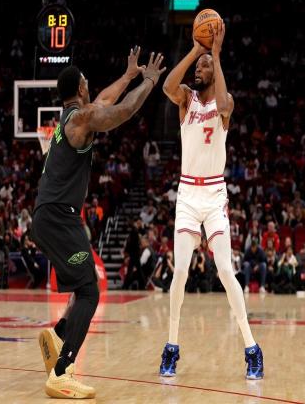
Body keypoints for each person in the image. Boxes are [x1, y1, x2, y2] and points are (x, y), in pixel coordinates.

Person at [30, 46, 166, 398]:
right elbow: (123, 110)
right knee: (90, 290)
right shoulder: (80, 120)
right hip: (59, 218)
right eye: (87, 81)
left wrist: (128, 75)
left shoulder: (70, 117)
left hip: (49, 217)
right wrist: (149, 83)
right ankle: (62, 371)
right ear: (79, 88)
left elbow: (104, 99)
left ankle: (58, 335)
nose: (91, 85)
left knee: (83, 285)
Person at [159, 21, 263, 380]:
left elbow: (221, 101)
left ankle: (252, 348)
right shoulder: (185, 99)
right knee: (180, 272)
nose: (199, 69)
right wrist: (195, 50)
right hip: (188, 194)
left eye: (204, 66)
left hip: (215, 194)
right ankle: (171, 346)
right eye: (198, 66)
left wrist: (215, 55)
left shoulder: (225, 103)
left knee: (224, 270)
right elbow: (167, 85)